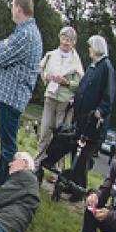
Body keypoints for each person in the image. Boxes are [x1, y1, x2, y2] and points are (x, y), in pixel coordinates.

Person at [39, 35, 115, 198]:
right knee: (76, 155)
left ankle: (78, 191)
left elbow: (108, 95)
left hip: (93, 124)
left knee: (83, 159)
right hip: (81, 121)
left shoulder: (106, 68)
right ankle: (73, 185)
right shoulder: (94, 66)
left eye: (90, 47)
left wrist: (100, 111)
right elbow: (83, 87)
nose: (88, 49)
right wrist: (76, 98)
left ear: (97, 48)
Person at [0, 0, 43, 186]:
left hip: (13, 95)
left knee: (8, 143)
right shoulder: (24, 31)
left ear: (18, 8)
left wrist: (2, 46)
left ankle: (9, 182)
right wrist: (2, 45)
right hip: (11, 95)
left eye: (12, 6)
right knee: (5, 138)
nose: (12, 10)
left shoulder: (25, 35)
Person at [34, 27, 84, 167]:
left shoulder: (76, 61)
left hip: (65, 103)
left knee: (61, 137)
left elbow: (80, 84)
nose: (65, 42)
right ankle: (37, 163)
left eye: (69, 40)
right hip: (50, 97)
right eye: (63, 38)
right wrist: (47, 77)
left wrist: (66, 82)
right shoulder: (51, 55)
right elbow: (41, 70)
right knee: (44, 132)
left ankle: (57, 167)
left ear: (73, 42)